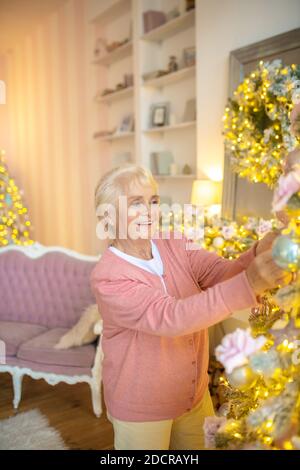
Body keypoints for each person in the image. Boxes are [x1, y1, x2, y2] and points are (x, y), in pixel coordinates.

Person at [90, 164, 289, 450]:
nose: (150, 211)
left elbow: (222, 273)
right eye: (136, 203)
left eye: (154, 201)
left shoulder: (176, 242)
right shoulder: (108, 276)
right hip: (142, 409)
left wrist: (261, 249)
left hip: (194, 398)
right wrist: (250, 284)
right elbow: (172, 318)